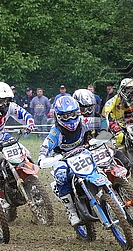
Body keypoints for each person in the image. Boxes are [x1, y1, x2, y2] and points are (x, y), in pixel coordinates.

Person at [37, 95, 99, 226]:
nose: (70, 119)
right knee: (61, 176)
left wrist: (105, 132)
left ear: (78, 112)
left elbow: (103, 123)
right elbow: (46, 145)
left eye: (72, 115)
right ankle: (71, 211)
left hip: (83, 151)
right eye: (65, 116)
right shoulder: (56, 132)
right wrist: (42, 158)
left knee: (101, 162)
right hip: (63, 157)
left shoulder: (84, 121)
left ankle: (108, 194)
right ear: (58, 116)